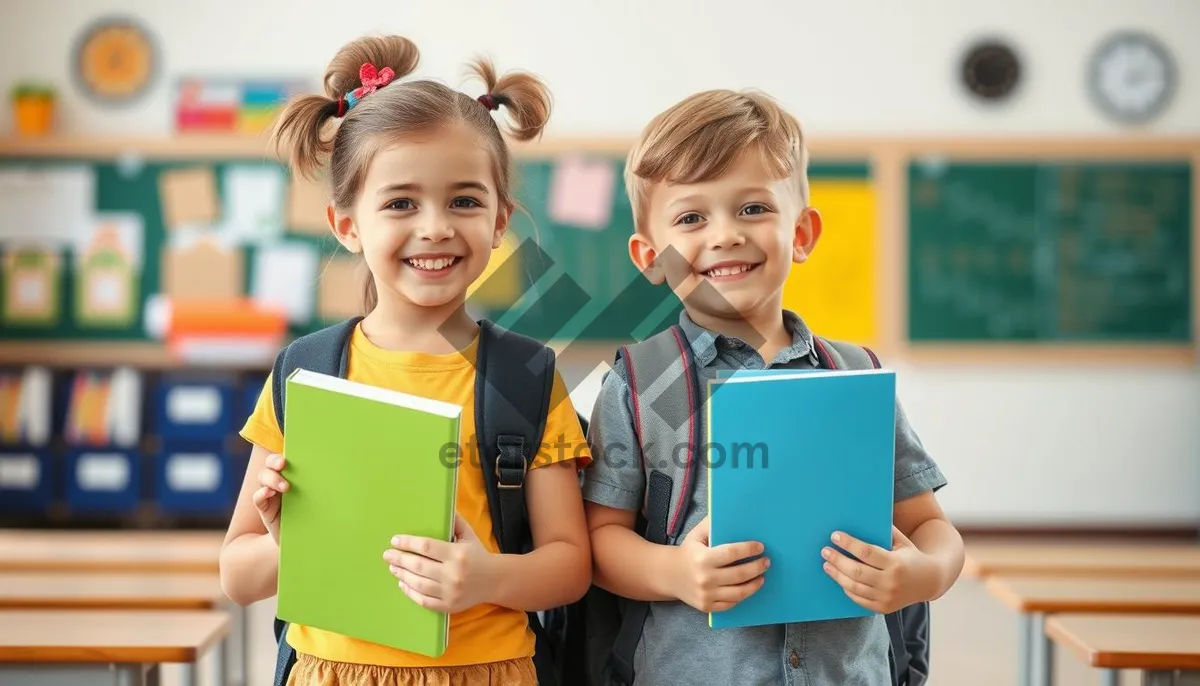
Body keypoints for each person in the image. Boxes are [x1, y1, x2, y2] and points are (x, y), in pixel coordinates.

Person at [219, 34, 593, 686]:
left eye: (465, 201)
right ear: (347, 225)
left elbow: (570, 566)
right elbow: (238, 574)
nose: (435, 227)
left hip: (488, 670)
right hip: (333, 672)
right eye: (400, 203)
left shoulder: (527, 378)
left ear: (501, 220)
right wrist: (292, 542)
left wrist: (485, 577)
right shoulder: (307, 373)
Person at [581, 88, 965, 685]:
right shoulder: (636, 381)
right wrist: (676, 572)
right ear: (650, 256)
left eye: (753, 209)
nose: (725, 234)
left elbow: (930, 526)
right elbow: (600, 541)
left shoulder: (856, 374)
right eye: (691, 217)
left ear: (803, 233)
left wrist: (924, 575)